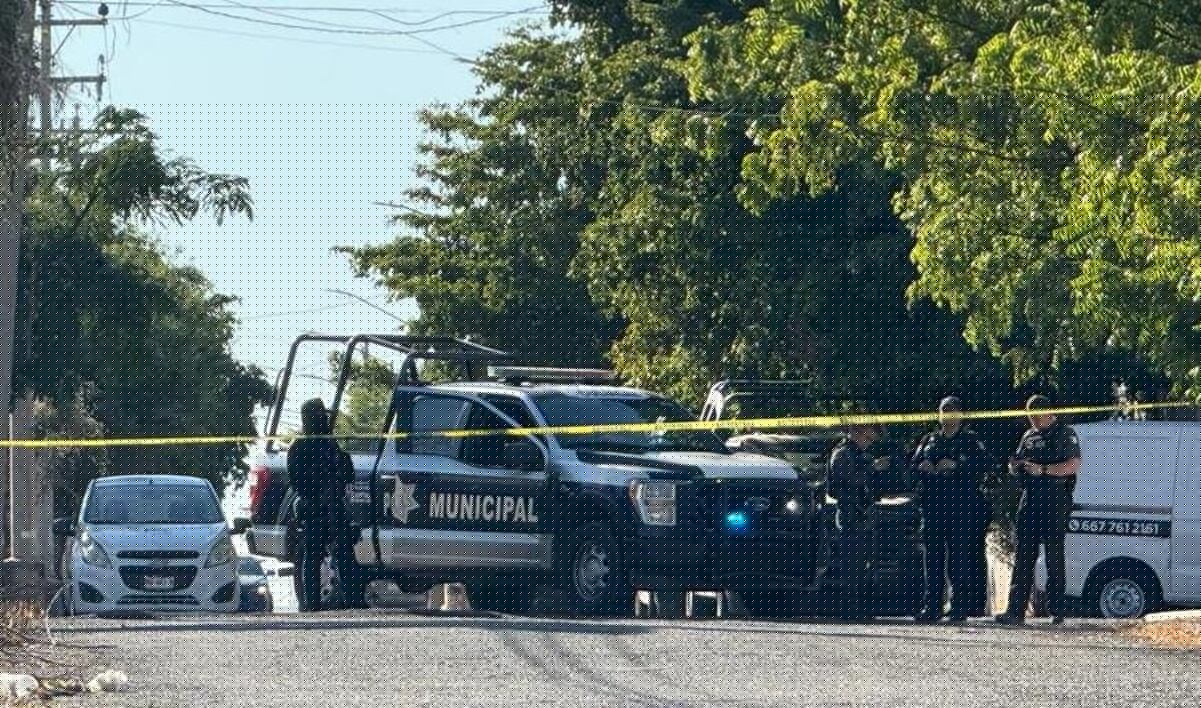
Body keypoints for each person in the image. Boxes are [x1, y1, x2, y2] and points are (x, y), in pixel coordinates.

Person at [996, 395, 1082, 625]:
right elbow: (1017, 462)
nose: (1033, 421)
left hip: (1055, 497)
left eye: (1036, 416)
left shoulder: (1065, 433)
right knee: (1024, 555)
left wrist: (1043, 469)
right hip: (1031, 498)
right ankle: (1015, 611)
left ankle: (1057, 609)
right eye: (1029, 417)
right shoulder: (1029, 436)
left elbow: (1073, 465)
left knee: (1054, 554)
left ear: (1048, 413)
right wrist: (1014, 466)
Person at [911, 396, 991, 623]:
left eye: (952, 411)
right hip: (933, 506)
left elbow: (984, 466)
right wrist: (922, 467)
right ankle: (931, 606)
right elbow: (912, 467)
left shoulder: (970, 441)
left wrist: (958, 466)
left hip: (960, 507)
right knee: (932, 559)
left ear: (960, 415)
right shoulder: (929, 440)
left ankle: (959, 606)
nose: (948, 415)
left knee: (959, 558)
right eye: (944, 411)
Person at [288, 398, 354, 612]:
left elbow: (347, 473)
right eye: (319, 416)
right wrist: (319, 490)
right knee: (313, 555)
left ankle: (350, 600)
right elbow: (297, 481)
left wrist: (341, 466)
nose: (323, 419)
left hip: (334, 507)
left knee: (344, 553)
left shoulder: (330, 444)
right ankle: (312, 603)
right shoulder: (299, 448)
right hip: (314, 509)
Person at [828, 418, 893, 620]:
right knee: (852, 565)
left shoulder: (859, 454)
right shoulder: (842, 454)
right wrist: (873, 468)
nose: (869, 443)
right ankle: (849, 609)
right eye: (867, 438)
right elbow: (849, 481)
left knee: (863, 563)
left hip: (863, 514)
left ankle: (862, 607)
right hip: (850, 514)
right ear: (857, 432)